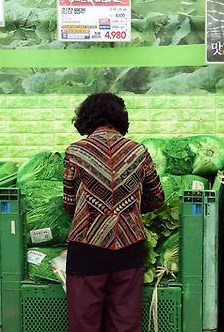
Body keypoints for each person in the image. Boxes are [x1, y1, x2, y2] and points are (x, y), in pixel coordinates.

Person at [63, 92, 165, 332]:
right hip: (128, 248)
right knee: (125, 325)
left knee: (84, 325)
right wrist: (128, 211)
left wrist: (95, 214)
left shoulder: (76, 153)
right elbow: (157, 197)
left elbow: (68, 202)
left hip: (87, 248)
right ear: (120, 118)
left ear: (86, 118)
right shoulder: (138, 152)